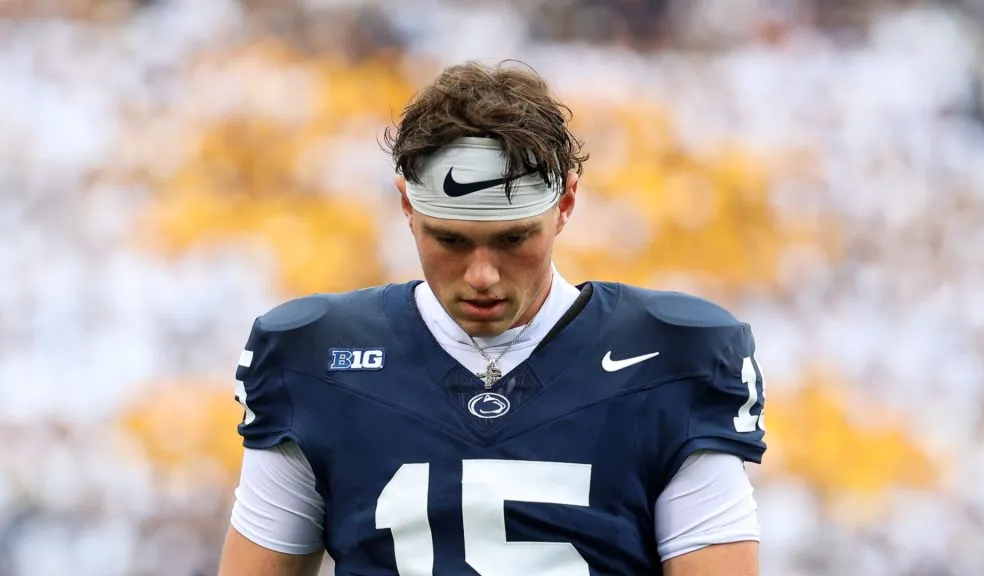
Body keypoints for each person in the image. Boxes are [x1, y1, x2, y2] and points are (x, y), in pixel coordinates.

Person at [217, 60, 766, 576]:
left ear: (565, 204)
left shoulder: (673, 358)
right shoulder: (314, 357)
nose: (481, 275)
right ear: (407, 206)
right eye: (451, 240)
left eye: (513, 238)